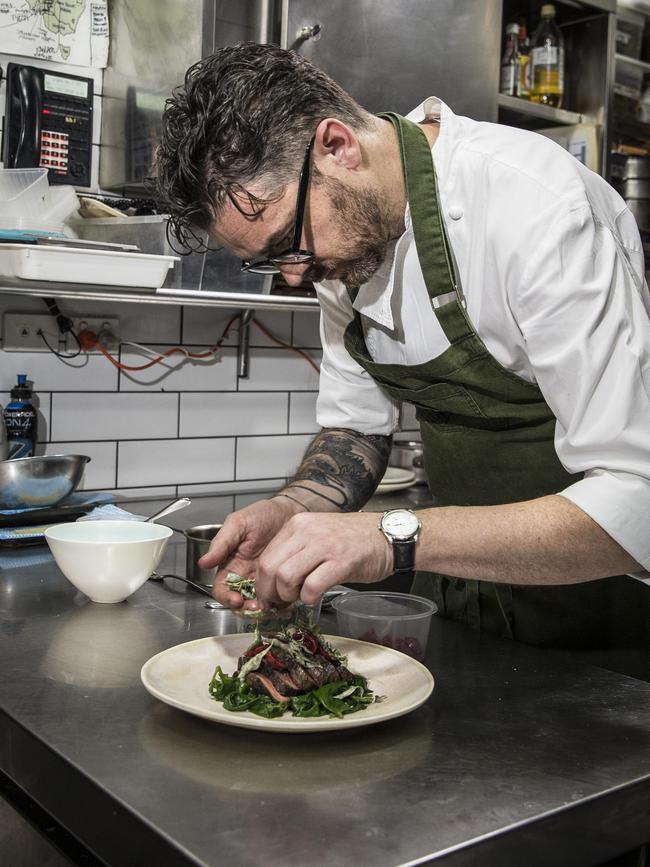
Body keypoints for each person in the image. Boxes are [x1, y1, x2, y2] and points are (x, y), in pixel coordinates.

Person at [154, 42, 650, 683]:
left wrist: (389, 535)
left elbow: (636, 497)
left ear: (337, 146)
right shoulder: (342, 249)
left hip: (605, 622)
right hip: (470, 603)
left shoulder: (534, 209)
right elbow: (354, 431)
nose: (296, 276)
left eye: (288, 244)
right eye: (271, 260)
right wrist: (291, 510)